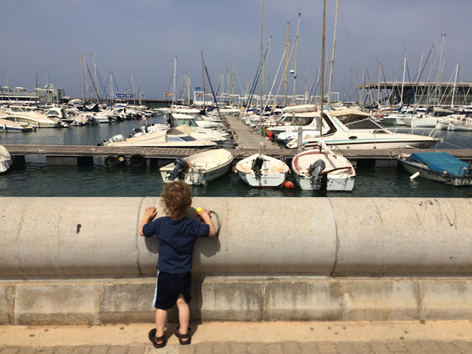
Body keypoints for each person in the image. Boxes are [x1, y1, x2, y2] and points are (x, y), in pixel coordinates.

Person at [139, 181, 217, 349]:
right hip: (184, 272)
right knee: (182, 303)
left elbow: (143, 231)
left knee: (162, 306)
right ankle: (183, 335)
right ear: (189, 204)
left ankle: (159, 337)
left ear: (165, 203)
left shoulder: (160, 224)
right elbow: (211, 231)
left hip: (166, 272)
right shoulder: (192, 224)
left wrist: (146, 217)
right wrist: (205, 216)